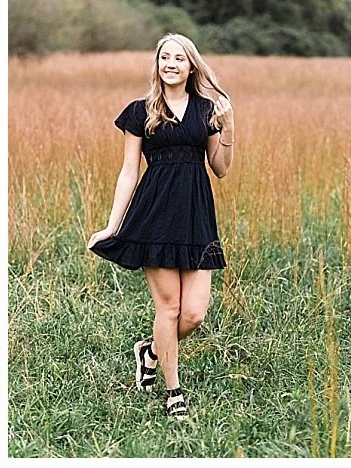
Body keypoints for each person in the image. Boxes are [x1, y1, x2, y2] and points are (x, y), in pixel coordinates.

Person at [88, 33, 235, 419]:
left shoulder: (207, 110)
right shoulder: (141, 111)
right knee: (169, 309)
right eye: (164, 57)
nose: (170, 63)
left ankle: (149, 351)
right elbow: (128, 172)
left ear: (191, 66)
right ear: (157, 64)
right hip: (154, 215)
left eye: (178, 58)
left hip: (196, 216)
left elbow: (219, 169)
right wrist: (111, 226)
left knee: (194, 314)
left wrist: (228, 126)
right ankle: (174, 392)